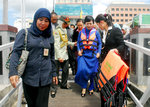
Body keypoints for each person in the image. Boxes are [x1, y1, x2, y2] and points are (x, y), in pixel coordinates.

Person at [9, 8, 58, 107]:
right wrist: (13, 72)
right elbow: (16, 53)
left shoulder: (49, 36)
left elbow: (52, 56)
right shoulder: (24, 33)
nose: (43, 23)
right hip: (29, 78)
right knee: (31, 105)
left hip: (45, 77)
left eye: (46, 21)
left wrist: (54, 73)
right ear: (35, 19)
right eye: (40, 20)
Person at [95, 14, 125, 106]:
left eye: (98, 25)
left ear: (102, 23)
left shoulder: (115, 30)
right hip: (106, 64)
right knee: (105, 88)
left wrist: (116, 50)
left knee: (112, 89)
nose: (99, 27)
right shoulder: (105, 32)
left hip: (113, 65)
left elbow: (122, 45)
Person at [75, 15, 102, 97]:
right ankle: (83, 86)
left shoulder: (96, 32)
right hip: (83, 55)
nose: (89, 25)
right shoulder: (81, 32)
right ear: (85, 23)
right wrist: (79, 50)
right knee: (82, 70)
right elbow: (79, 43)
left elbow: (100, 43)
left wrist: (99, 52)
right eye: (87, 23)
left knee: (93, 73)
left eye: (90, 23)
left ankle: (91, 87)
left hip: (93, 55)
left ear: (93, 23)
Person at [53, 16, 76, 89]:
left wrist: (72, 44)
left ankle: (64, 84)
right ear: (61, 23)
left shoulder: (64, 30)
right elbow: (56, 45)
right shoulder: (57, 31)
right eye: (65, 23)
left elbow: (65, 41)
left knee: (65, 70)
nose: (67, 25)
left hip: (65, 54)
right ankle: (55, 86)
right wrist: (59, 56)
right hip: (58, 55)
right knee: (56, 72)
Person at [50, 11, 59, 98]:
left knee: (54, 70)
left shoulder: (58, 26)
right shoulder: (45, 26)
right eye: (53, 19)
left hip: (56, 51)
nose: (55, 21)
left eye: (56, 19)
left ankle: (53, 89)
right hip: (47, 51)